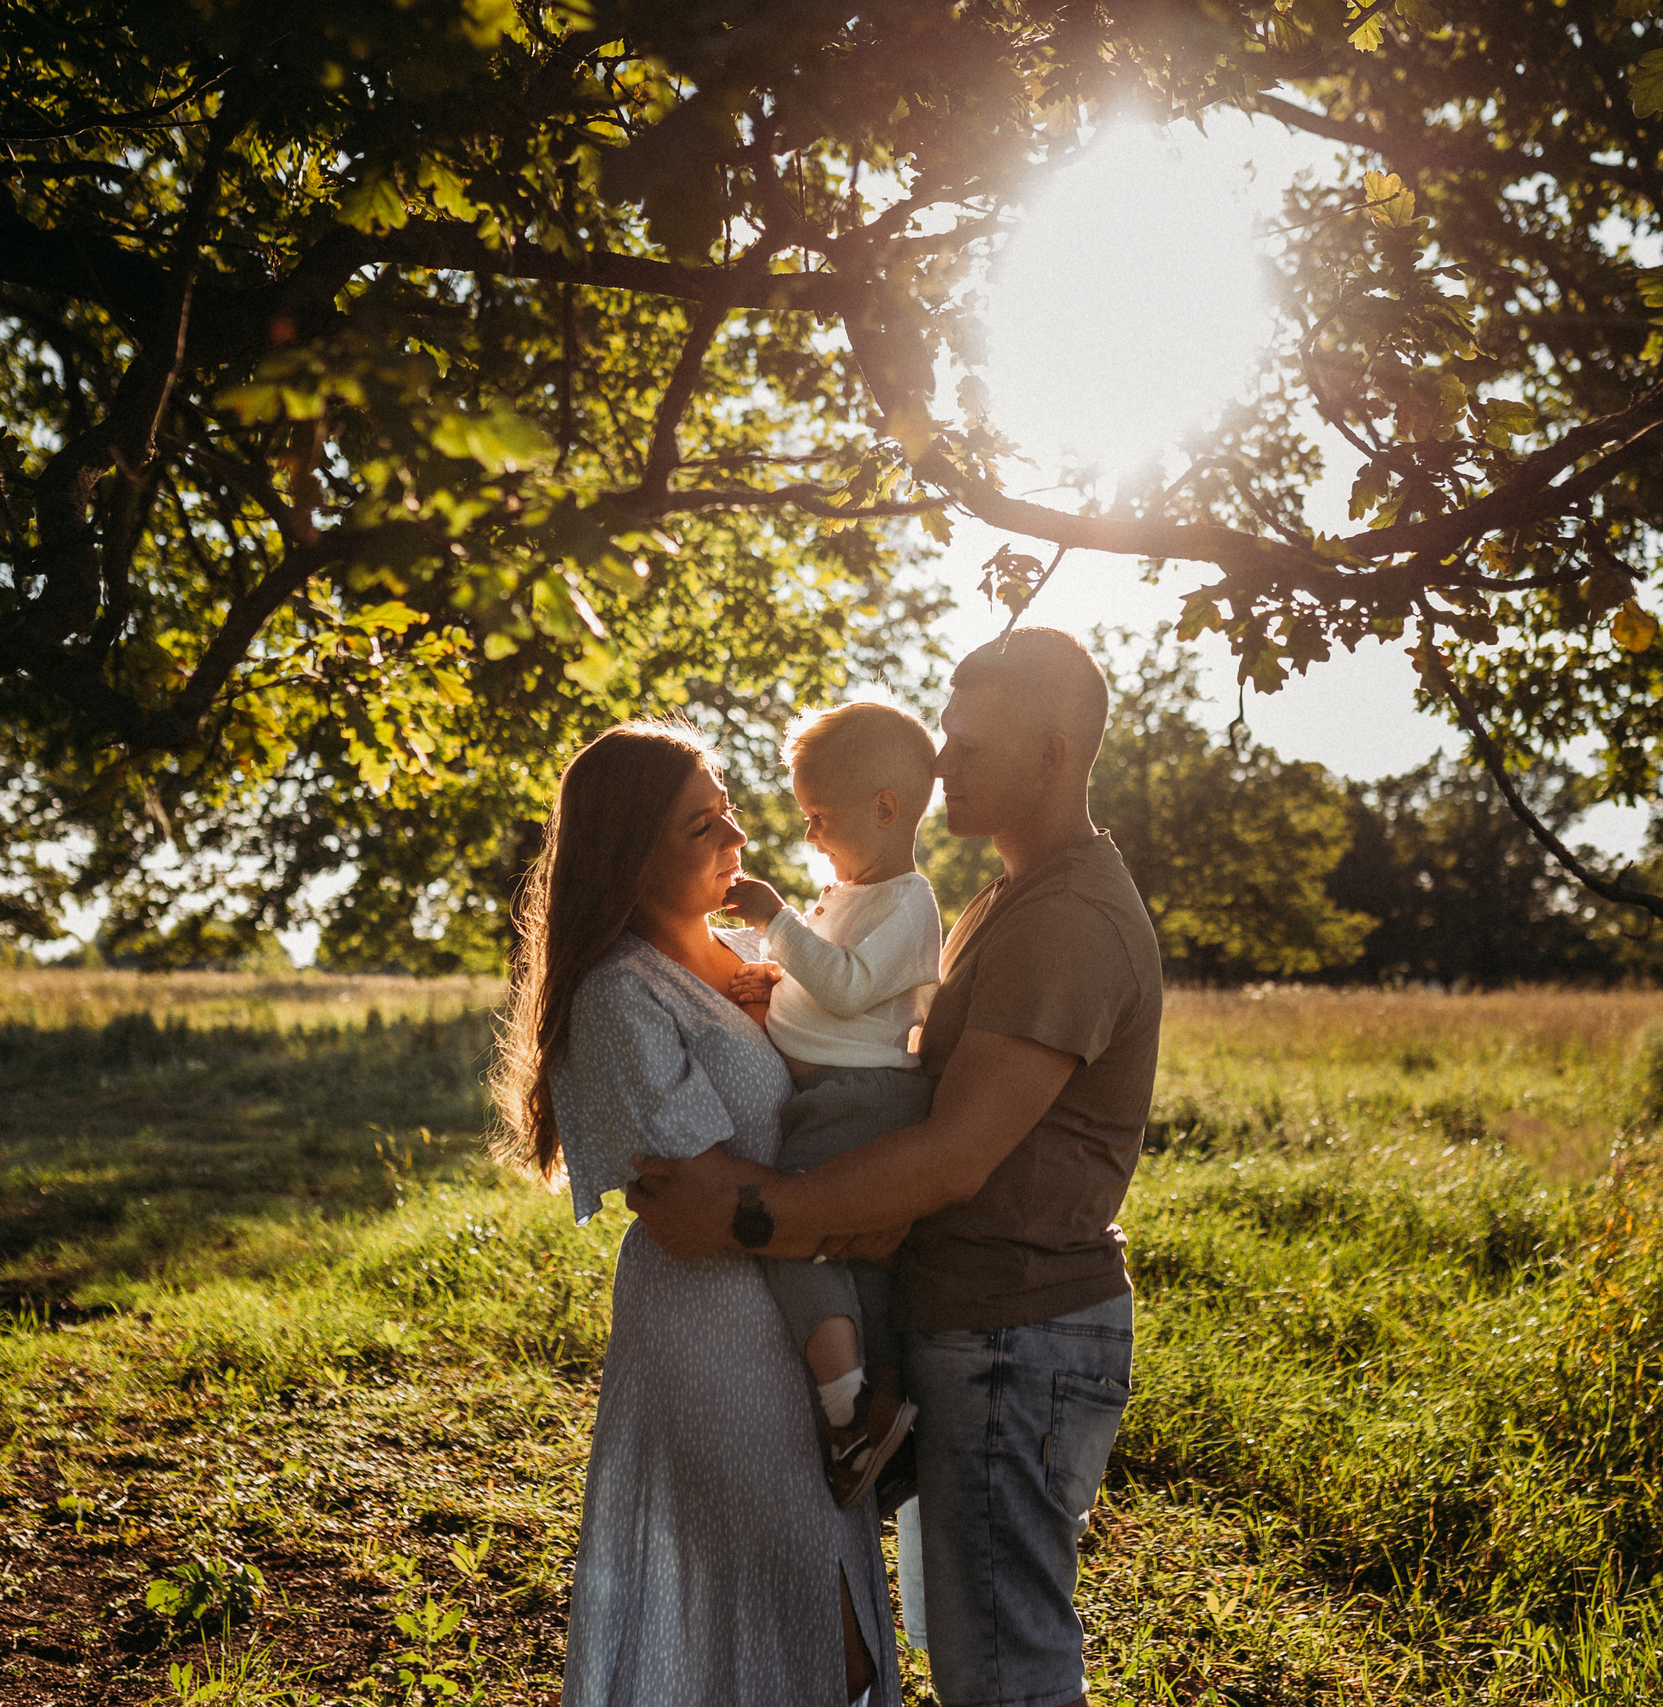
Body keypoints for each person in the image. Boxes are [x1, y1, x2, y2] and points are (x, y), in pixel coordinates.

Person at [628, 627, 1165, 1707]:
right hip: (969, 1322)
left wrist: (753, 1215)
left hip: (1018, 1334)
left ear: (1053, 755)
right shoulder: (1004, 902)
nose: (939, 768)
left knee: (1001, 1671)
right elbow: (910, 1070)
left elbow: (956, 1154)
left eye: (965, 749)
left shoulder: (1066, 922)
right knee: (954, 1644)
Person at [491, 721, 899, 1707]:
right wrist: (867, 1217)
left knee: (836, 1619)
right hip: (710, 1337)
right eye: (699, 824)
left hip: (814, 1332)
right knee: (819, 1636)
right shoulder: (620, 995)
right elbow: (704, 1202)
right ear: (628, 857)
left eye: (727, 810)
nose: (736, 839)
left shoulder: (762, 954)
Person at [720, 701, 946, 1506]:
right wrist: (773, 979)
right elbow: (824, 981)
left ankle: (846, 1408)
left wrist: (776, 919)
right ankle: (885, 1405)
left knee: (792, 1230)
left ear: (884, 807)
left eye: (819, 816)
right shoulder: (846, 893)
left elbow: (850, 987)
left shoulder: (908, 903)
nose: (810, 835)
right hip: (838, 1097)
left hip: (862, 1099)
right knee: (852, 1252)